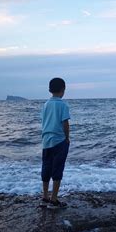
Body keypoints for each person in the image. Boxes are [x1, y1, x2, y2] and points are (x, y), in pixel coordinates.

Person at [40, 77, 70, 209]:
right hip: (59, 140)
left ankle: (45, 196)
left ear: (50, 90)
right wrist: (67, 138)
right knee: (58, 168)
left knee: (46, 167)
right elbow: (65, 123)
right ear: (63, 90)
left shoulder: (46, 104)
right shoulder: (63, 105)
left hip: (46, 141)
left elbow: (44, 121)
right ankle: (54, 199)